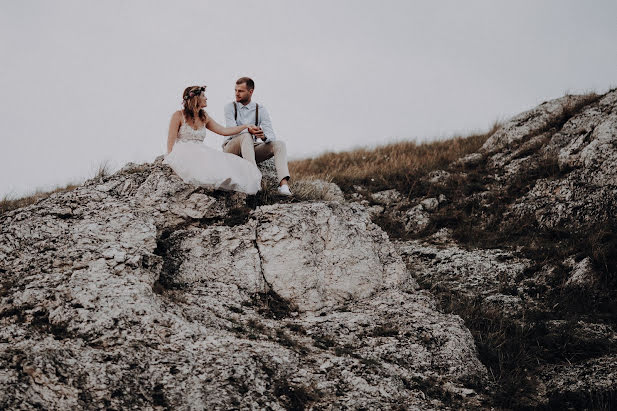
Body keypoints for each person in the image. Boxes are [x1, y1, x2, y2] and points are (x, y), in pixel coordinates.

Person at [164, 85, 262, 194]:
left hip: (201, 151)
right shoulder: (178, 115)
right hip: (184, 152)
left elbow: (223, 130)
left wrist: (245, 126)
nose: (206, 98)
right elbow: (170, 142)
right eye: (203, 96)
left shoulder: (204, 116)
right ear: (196, 98)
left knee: (231, 164)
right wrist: (171, 159)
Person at [223, 77, 292, 196]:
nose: (237, 94)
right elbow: (231, 130)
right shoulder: (230, 107)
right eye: (235, 90)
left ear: (251, 92)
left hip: (251, 148)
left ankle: (284, 186)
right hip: (231, 148)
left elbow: (271, 135)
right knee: (245, 135)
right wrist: (248, 129)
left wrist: (263, 136)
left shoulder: (260, 109)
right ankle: (254, 180)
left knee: (280, 144)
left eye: (241, 91)